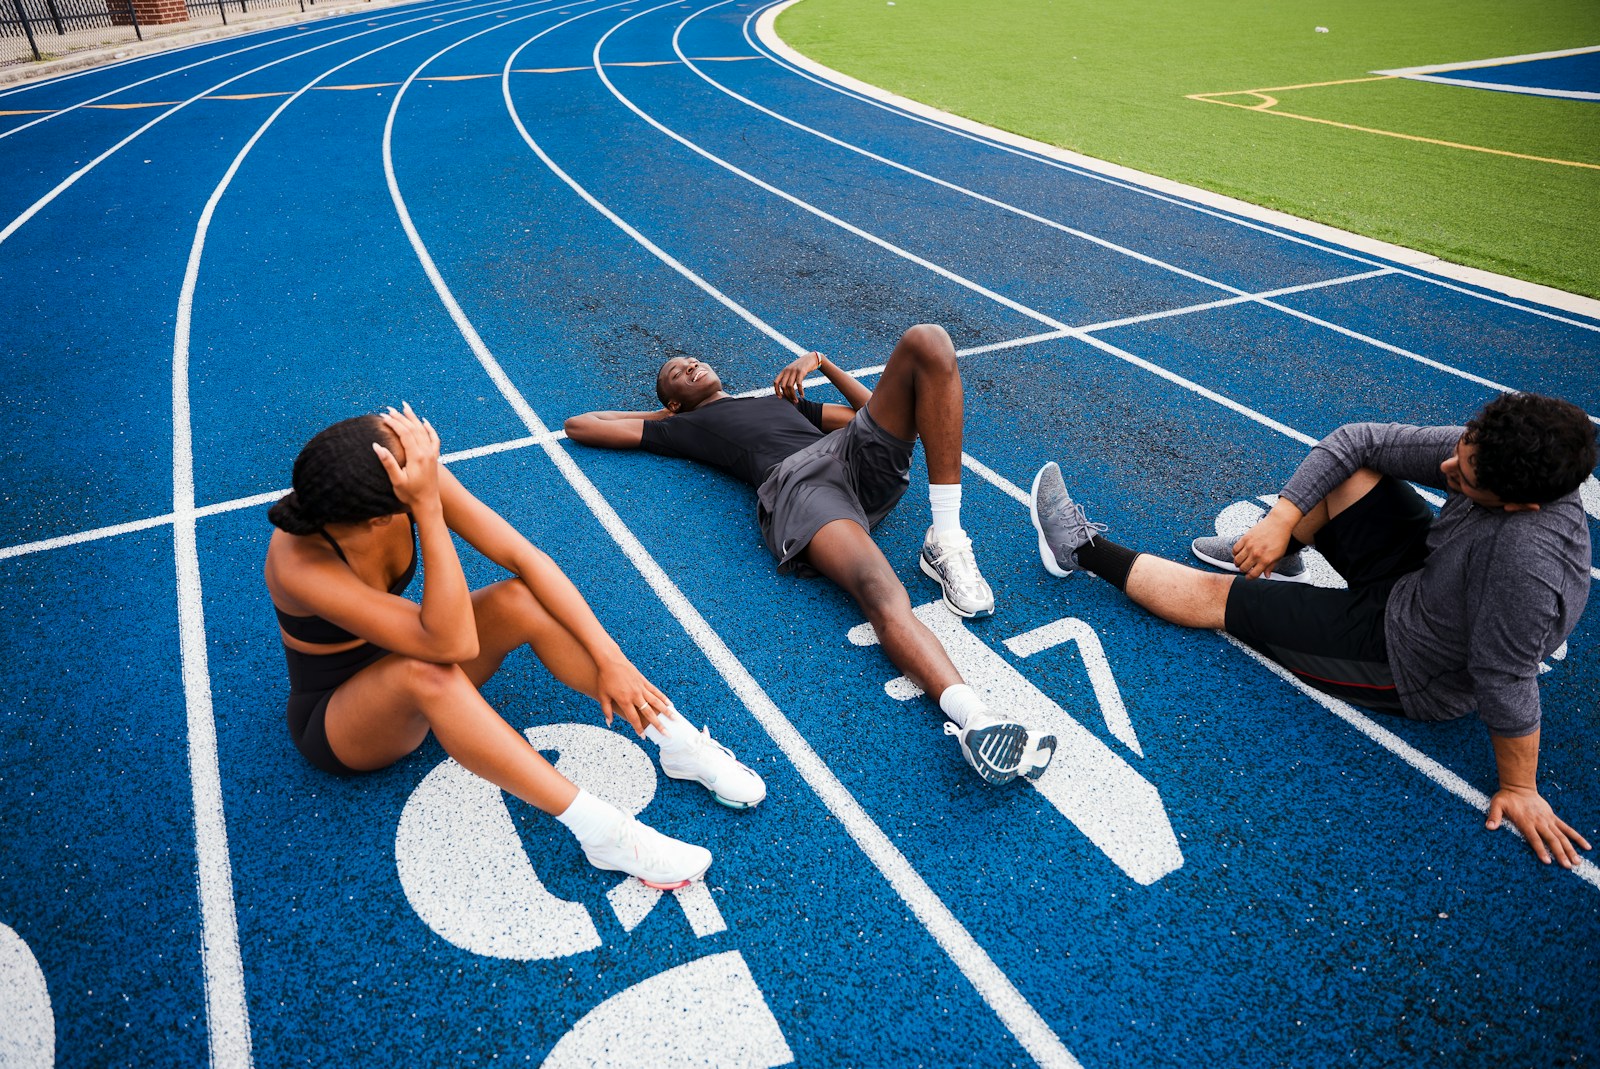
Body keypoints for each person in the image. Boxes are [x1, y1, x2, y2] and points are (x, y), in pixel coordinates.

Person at [1029, 391, 1596, 868]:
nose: (1449, 468)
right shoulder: (1496, 454)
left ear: (1520, 506)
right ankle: (1276, 548)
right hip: (1428, 581)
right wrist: (1278, 521)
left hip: (1410, 660)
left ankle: (1078, 548)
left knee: (1220, 599)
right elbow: (1358, 440)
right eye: (1459, 454)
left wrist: (1521, 788)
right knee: (1354, 471)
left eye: (1465, 478)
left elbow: (1503, 675)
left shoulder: (1526, 566)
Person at [265, 404, 766, 891]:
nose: (426, 462)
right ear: (380, 516)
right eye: (416, 468)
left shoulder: (403, 480)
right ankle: (605, 833)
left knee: (518, 600)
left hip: (413, 650)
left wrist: (612, 660)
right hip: (342, 720)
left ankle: (672, 738)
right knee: (426, 674)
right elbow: (452, 642)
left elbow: (526, 558)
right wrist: (428, 508)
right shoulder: (300, 564)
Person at [564, 324, 1056, 787]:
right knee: (882, 593)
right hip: (802, 485)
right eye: (678, 373)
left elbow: (885, 413)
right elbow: (581, 425)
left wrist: (822, 363)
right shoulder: (681, 427)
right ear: (674, 400)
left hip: (851, 456)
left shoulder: (779, 403)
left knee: (927, 341)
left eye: (692, 360)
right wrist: (670, 416)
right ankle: (976, 720)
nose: (691, 365)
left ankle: (945, 536)